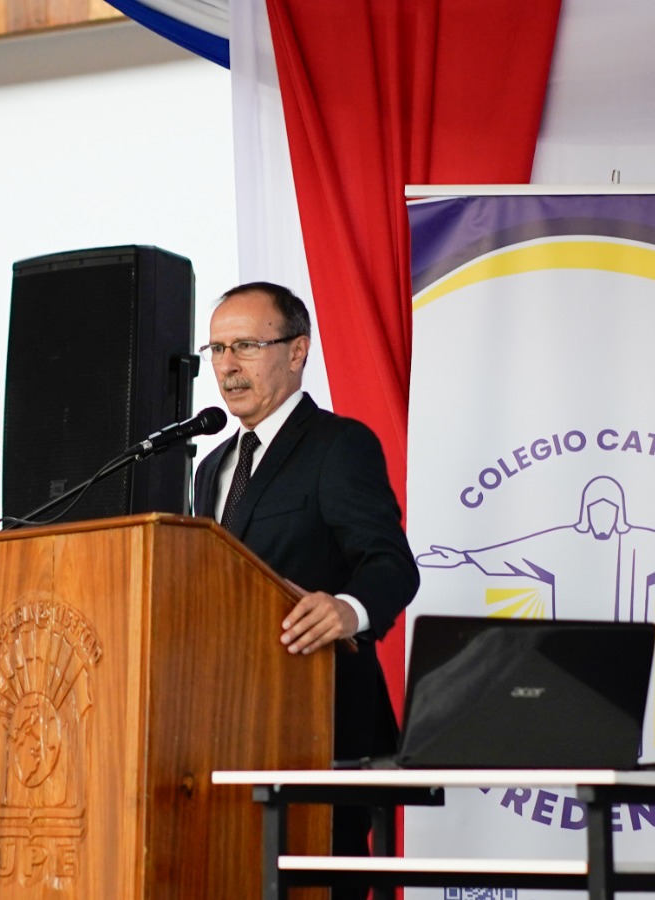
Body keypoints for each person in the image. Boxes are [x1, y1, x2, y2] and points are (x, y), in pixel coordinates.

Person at [193, 282, 418, 871]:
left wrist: (349, 608)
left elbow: (391, 563)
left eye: (245, 345)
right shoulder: (211, 466)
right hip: (229, 725)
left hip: (322, 724)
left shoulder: (337, 446)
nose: (227, 366)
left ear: (297, 351)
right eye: (216, 349)